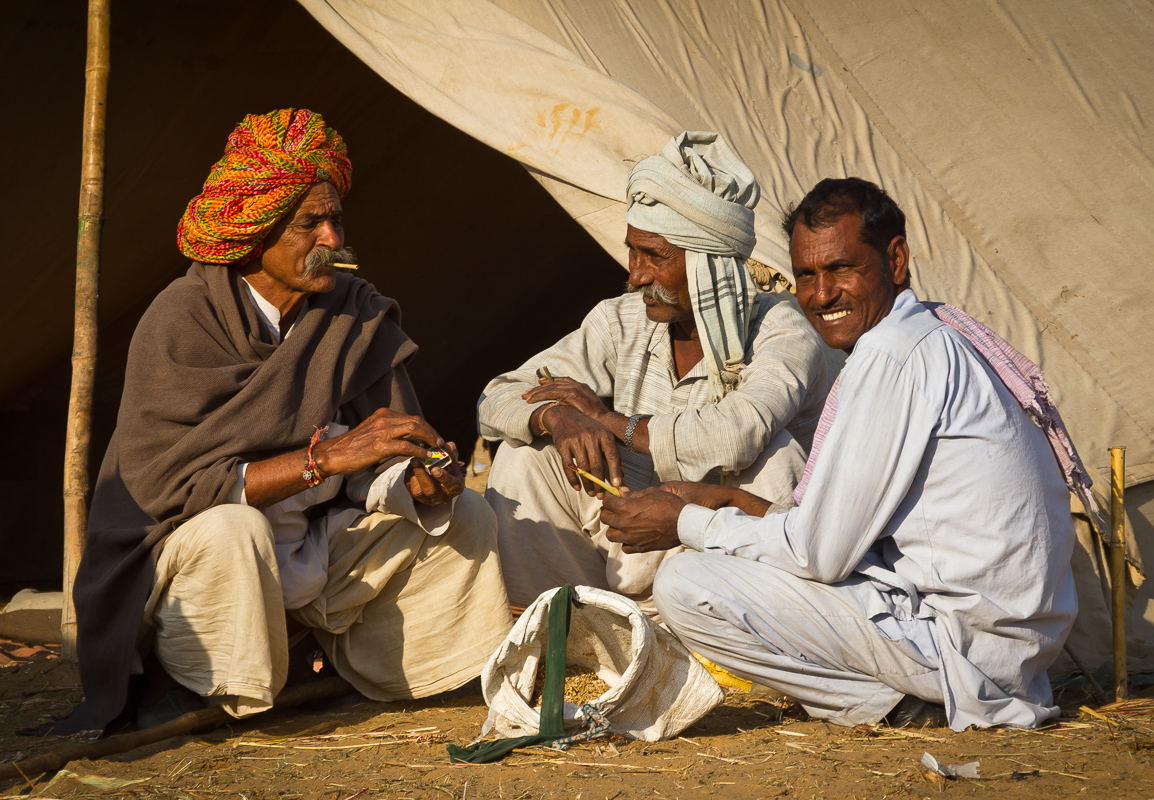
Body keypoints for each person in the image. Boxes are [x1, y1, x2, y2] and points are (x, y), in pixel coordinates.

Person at [58, 109, 512, 734]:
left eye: (336, 220)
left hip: (309, 549)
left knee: (468, 515)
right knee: (233, 531)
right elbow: (167, 490)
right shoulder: (181, 318)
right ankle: (197, 682)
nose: (331, 239)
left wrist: (416, 482)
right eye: (308, 225)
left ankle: (395, 673)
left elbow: (382, 456)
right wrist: (321, 461)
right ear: (254, 233)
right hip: (191, 552)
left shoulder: (354, 313)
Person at [600, 177, 1093, 730]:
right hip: (1007, 646)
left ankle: (887, 706)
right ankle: (904, 700)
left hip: (964, 647)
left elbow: (821, 556)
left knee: (686, 585)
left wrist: (687, 521)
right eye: (806, 276)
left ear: (896, 260)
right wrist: (728, 500)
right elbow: (839, 534)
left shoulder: (892, 358)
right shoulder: (933, 333)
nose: (820, 294)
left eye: (842, 269)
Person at [478, 132, 828, 616]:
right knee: (522, 458)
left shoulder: (782, 330)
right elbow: (498, 397)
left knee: (775, 456)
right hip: (628, 541)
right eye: (632, 251)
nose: (635, 274)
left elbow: (738, 433)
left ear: (708, 265)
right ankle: (571, 632)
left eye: (654, 257)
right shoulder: (619, 319)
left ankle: (749, 636)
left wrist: (608, 420)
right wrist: (557, 417)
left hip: (720, 549)